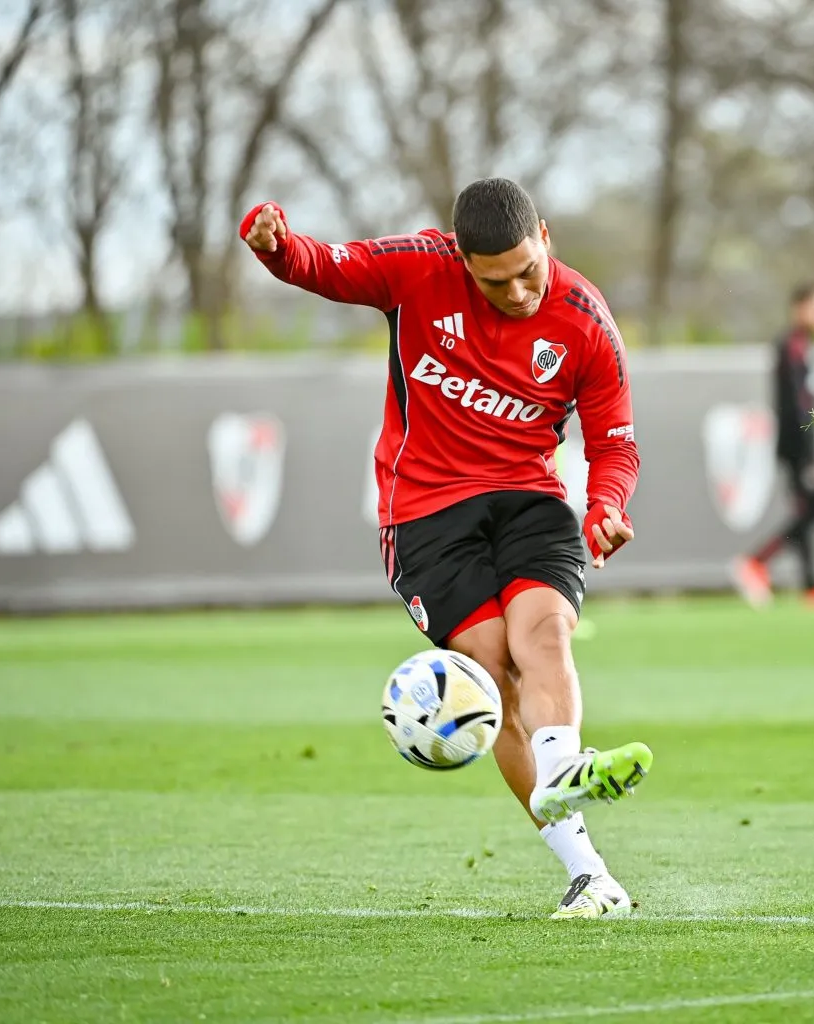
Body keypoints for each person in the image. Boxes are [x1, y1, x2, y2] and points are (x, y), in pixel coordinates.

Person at [241, 178, 651, 919]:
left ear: (545, 238)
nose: (519, 292)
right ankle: (591, 875)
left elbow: (615, 443)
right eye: (496, 282)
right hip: (424, 512)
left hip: (529, 499)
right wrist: (277, 246)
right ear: (462, 259)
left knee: (545, 634)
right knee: (495, 676)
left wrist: (607, 506)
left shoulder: (585, 320)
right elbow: (326, 266)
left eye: (528, 271)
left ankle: (562, 767)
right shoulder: (417, 269)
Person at [731, 281, 814, 609]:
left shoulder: (805, 346)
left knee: (807, 510)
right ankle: (756, 562)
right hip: (798, 446)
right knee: (813, 510)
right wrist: (809, 452)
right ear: (802, 307)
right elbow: (797, 406)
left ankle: (812, 585)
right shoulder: (791, 345)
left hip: (804, 444)